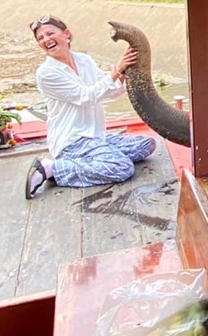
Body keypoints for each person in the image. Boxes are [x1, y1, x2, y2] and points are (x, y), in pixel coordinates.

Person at [25, 15, 156, 199]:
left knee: (146, 145)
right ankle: (51, 168)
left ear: (66, 34)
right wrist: (116, 70)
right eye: (40, 38)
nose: (46, 39)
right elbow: (87, 97)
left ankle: (94, 158)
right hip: (72, 141)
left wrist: (124, 74)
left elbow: (109, 91)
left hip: (95, 136)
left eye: (50, 33)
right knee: (122, 167)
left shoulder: (83, 60)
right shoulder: (46, 73)